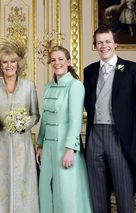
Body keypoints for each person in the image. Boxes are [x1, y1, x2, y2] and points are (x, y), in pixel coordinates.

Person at [0, 40, 40, 213]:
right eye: (5, 62)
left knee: (23, 182)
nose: (9, 65)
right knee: (0, 183)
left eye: (12, 61)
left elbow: (35, 114)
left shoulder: (29, 86)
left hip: (23, 144)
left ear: (18, 64)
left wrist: (24, 123)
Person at [84, 25, 136, 213]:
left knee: (124, 193)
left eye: (107, 41)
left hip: (119, 136)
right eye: (99, 42)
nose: (104, 45)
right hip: (94, 136)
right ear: (95, 46)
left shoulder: (130, 69)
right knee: (97, 193)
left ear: (115, 44)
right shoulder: (88, 71)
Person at [36, 46, 92, 213]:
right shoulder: (48, 87)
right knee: (47, 189)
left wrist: (70, 150)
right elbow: (45, 118)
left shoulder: (75, 86)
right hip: (48, 148)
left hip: (65, 148)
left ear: (68, 61)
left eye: (60, 59)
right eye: (53, 60)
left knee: (67, 193)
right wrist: (39, 144)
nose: (57, 63)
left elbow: (76, 121)